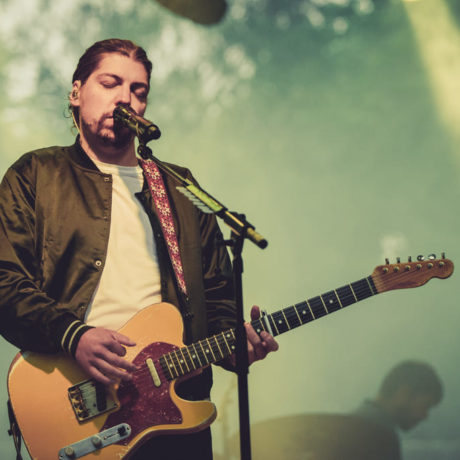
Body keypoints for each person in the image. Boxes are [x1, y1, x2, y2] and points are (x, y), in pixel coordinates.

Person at [0, 38, 278, 460]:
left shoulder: (180, 188)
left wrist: (238, 344)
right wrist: (73, 336)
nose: (125, 98)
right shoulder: (36, 174)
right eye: (110, 83)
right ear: (76, 93)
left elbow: (216, 297)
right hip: (77, 407)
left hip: (175, 412)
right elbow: (5, 280)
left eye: (138, 90)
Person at [353, 360, 443, 459]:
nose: (425, 416)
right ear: (404, 394)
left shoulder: (349, 427)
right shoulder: (382, 438)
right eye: (425, 406)